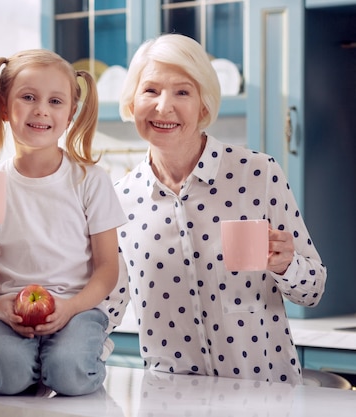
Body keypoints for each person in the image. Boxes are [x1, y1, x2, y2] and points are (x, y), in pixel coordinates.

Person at [114, 33, 327, 385]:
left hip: (265, 396)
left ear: (204, 105)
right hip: (172, 400)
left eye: (182, 92)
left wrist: (286, 264)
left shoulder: (258, 174)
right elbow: (104, 309)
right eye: (150, 90)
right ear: (131, 102)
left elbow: (313, 290)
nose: (163, 107)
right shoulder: (119, 199)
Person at [0, 49, 128, 396]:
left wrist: (71, 308)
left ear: (70, 115)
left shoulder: (90, 180)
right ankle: (38, 364)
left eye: (55, 101)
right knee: (5, 380)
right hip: (11, 312)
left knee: (70, 375)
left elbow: (107, 269)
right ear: (4, 107)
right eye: (28, 97)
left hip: (78, 308)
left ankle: (78, 354)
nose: (41, 110)